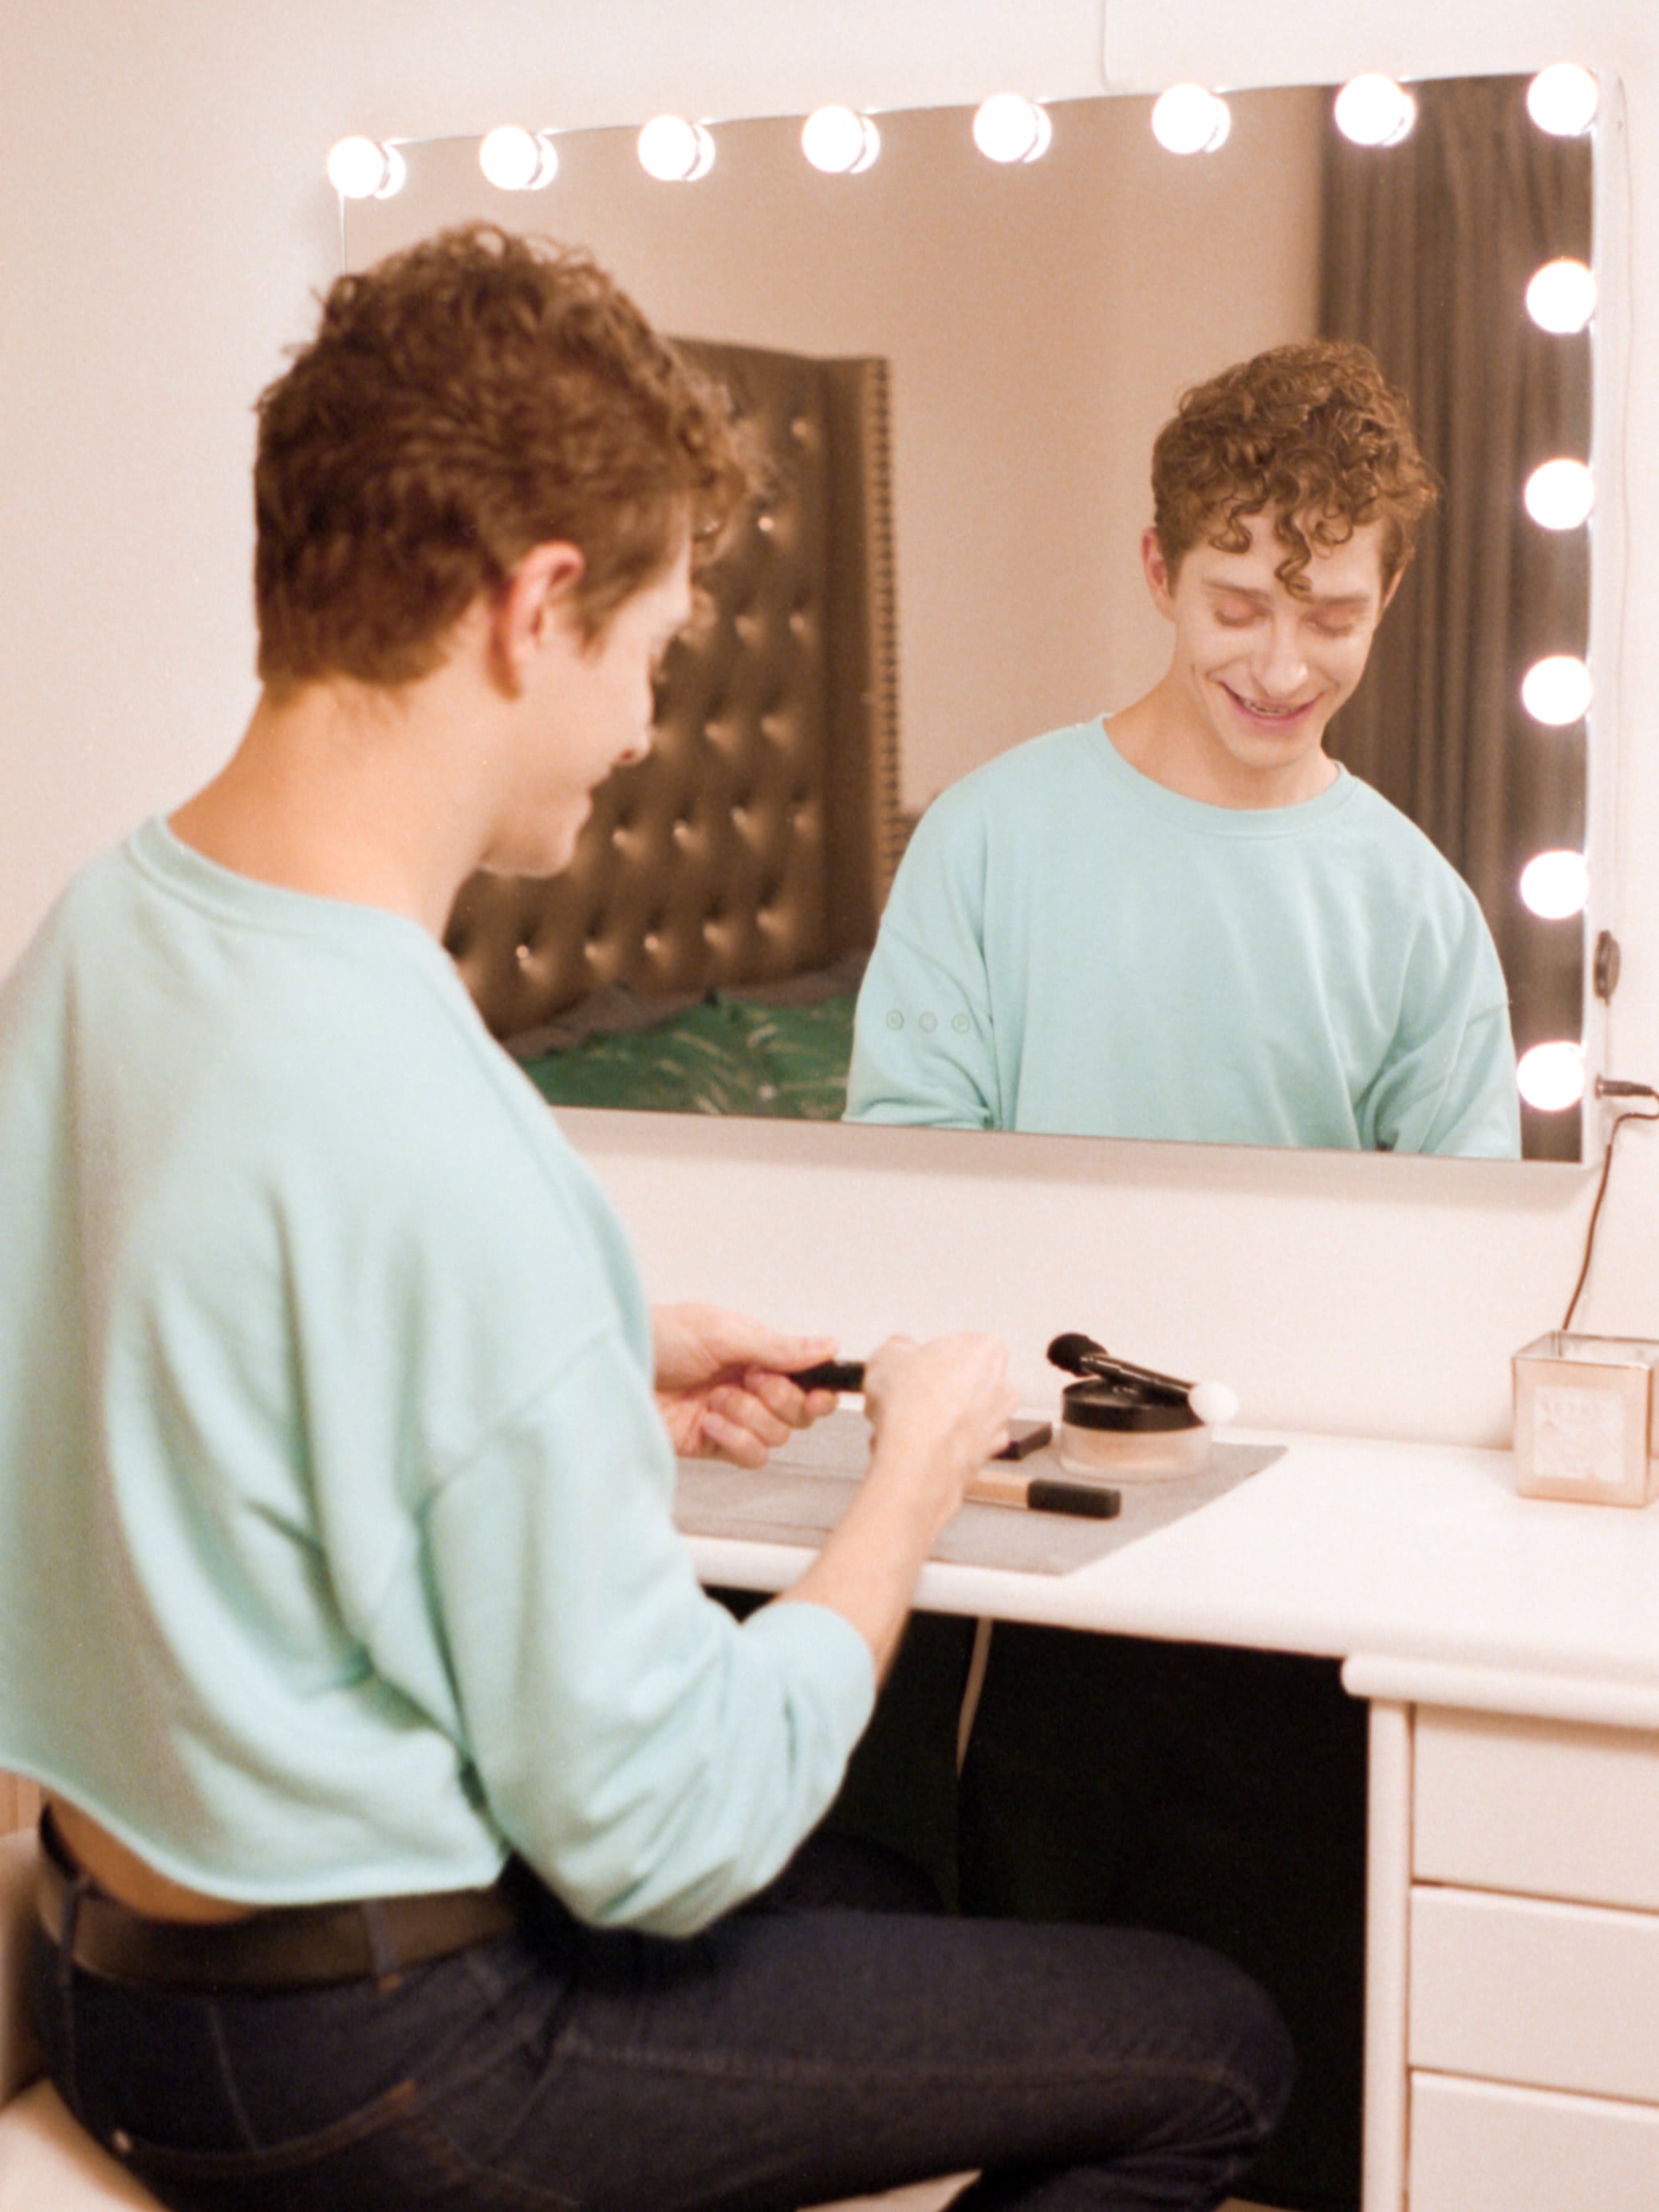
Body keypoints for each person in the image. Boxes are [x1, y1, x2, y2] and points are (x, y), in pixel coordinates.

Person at [0, 225, 1291, 2212]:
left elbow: (206, 1399)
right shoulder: (449, 1135)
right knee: (1214, 2040)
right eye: (657, 653)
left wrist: (595, 1375)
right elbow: (666, 1835)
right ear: (537, 608)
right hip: (378, 2072)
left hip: (110, 1979)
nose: (642, 728)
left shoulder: (101, 935)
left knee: (868, 1878)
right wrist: (909, 1485)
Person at [845, 337, 1521, 1157]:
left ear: (1390, 591)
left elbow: (1463, 1253)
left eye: (1332, 621)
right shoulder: (979, 841)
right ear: (1160, 572)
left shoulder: (1424, 916)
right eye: (1237, 610)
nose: (1280, 671)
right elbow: (902, 1185)